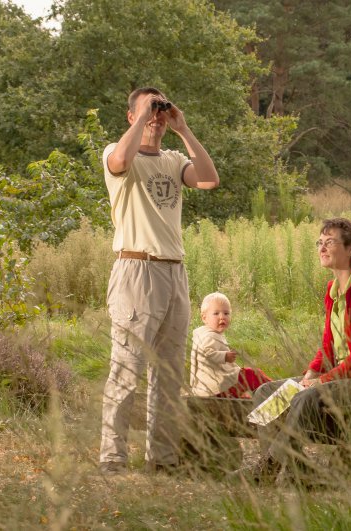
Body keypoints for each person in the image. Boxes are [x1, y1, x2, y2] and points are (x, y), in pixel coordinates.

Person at [99, 87, 219, 475]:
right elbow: (120, 159)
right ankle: (113, 457)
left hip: (174, 271)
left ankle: (162, 458)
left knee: (168, 374)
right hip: (137, 268)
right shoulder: (117, 155)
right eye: (149, 110)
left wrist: (182, 128)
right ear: (130, 117)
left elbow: (209, 180)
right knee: (126, 367)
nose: (157, 116)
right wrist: (144, 116)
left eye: (161, 109)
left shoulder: (173, 159)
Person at [237, 217, 351, 486]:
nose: (322, 248)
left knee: (306, 396)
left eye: (330, 242)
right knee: (266, 392)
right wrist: (310, 375)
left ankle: (269, 466)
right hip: (337, 380)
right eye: (320, 242)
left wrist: (319, 382)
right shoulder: (334, 290)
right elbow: (327, 345)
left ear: (350, 249)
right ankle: (298, 470)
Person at [189, 292, 272, 398]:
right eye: (216, 313)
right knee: (251, 375)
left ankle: (244, 400)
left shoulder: (204, 334)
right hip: (216, 388)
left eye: (226, 313)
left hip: (212, 387)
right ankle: (278, 390)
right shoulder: (209, 336)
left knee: (243, 390)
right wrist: (224, 356)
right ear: (204, 318)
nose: (222, 317)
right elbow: (205, 354)